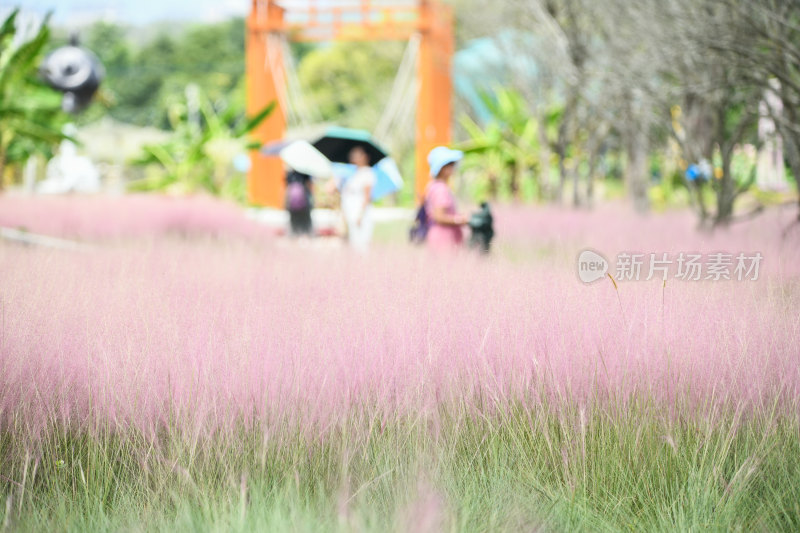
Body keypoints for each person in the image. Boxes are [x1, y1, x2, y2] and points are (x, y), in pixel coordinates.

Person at [424, 146, 470, 252]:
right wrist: (459, 220)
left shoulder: (435, 186)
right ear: (442, 168)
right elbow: (439, 217)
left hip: (440, 238)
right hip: (443, 240)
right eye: (450, 165)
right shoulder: (441, 189)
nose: (453, 167)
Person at [340, 146, 376, 252]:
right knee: (354, 241)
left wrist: (360, 214)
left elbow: (367, 196)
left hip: (360, 212)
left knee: (361, 242)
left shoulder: (368, 173)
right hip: (351, 210)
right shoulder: (354, 174)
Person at [285, 169, 313, 237]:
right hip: (304, 202)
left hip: (292, 203)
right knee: (305, 222)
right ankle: (306, 235)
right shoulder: (305, 173)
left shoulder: (290, 174)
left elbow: (286, 187)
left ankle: (294, 236)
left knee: (294, 221)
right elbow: (309, 186)